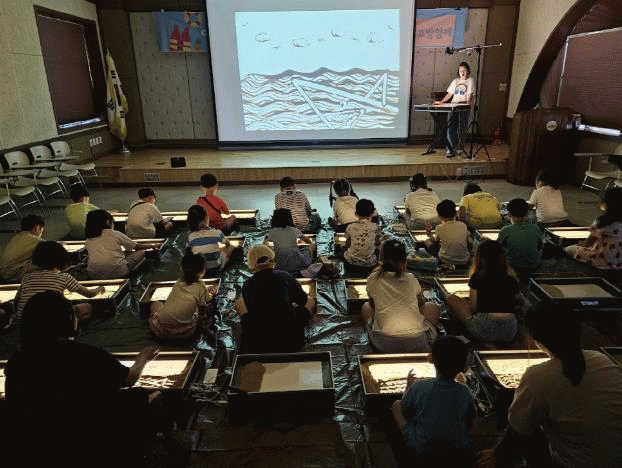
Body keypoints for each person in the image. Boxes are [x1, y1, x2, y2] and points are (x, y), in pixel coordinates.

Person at [4, 291, 159, 468]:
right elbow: (128, 379)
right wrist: (143, 358)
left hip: (35, 447)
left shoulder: (17, 362)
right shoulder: (87, 356)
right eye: (74, 314)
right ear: (68, 320)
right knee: (142, 396)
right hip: (87, 443)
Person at [478, 302, 622, 468]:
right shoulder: (602, 360)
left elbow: (517, 430)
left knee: (525, 419)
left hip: (576, 463)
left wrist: (496, 454)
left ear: (533, 336)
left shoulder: (538, 376)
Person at [392, 336, 476, 465]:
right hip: (457, 450)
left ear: (430, 358)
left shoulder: (420, 386)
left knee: (396, 405)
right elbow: (470, 418)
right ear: (464, 368)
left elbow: (406, 410)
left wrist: (408, 388)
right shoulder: (465, 391)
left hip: (423, 450)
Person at [362, 239, 440, 353]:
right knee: (432, 306)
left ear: (380, 259)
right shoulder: (411, 278)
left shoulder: (373, 279)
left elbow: (372, 303)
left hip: (384, 345)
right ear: (405, 260)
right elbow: (421, 302)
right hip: (418, 343)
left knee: (366, 307)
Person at [235, 244, 315, 354]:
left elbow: (251, 311)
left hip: (259, 342)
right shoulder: (285, 276)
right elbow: (303, 301)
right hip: (291, 339)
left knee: (240, 302)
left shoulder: (247, 284)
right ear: (272, 259)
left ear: (251, 265)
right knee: (310, 301)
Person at [10, 241, 104, 326]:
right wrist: (99, 288)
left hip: (25, 325)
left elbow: (16, 302)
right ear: (62, 258)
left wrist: (17, 315)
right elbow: (89, 294)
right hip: (52, 324)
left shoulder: (27, 277)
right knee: (87, 308)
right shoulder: (64, 277)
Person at [445, 239, 520, 343]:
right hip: (509, 331)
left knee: (450, 298)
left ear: (479, 258)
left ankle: (463, 336)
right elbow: (518, 302)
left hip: (484, 329)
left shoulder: (477, 278)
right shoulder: (511, 279)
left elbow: (473, 309)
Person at [149, 249, 217, 340]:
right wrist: (212, 296)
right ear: (202, 270)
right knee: (197, 310)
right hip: (185, 332)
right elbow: (203, 311)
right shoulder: (201, 286)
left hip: (161, 331)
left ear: (182, 269)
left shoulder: (178, 283)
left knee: (156, 304)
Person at [85, 209, 156, 279]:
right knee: (141, 252)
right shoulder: (115, 234)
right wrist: (153, 245)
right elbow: (136, 247)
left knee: (126, 253)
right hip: (118, 272)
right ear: (108, 222)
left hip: (94, 275)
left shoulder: (88, 239)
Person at [564, 186, 622, 269]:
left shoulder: (602, 221)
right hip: (619, 262)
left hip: (600, 259)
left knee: (569, 249)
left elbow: (588, 242)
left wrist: (582, 245)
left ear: (605, 205)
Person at [434, 61, 474, 157]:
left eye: (464, 71)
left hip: (463, 106)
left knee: (461, 128)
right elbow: (450, 94)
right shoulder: (455, 81)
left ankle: (459, 147)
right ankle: (450, 148)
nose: (462, 73)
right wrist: (442, 102)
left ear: (468, 71)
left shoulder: (470, 80)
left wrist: (468, 103)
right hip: (453, 105)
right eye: (460, 71)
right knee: (451, 127)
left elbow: (470, 94)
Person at [186, 204, 234, 275]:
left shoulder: (190, 237)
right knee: (230, 247)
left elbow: (188, 252)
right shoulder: (216, 233)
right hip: (216, 268)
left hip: (198, 271)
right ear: (206, 218)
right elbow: (227, 243)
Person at [498, 198, 542, 274]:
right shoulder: (536, 229)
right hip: (534, 267)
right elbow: (539, 247)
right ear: (527, 213)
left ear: (509, 214)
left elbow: (497, 249)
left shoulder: (505, 230)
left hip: (513, 267)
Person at [265, 208, 315, 276]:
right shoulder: (294, 230)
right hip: (297, 263)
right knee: (312, 245)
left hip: (280, 265)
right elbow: (308, 241)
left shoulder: (272, 232)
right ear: (290, 219)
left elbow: (265, 246)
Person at [424, 199, 470, 267]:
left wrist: (429, 234)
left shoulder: (440, 227)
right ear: (455, 213)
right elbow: (467, 241)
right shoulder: (463, 225)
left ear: (439, 215)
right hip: (464, 261)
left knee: (427, 242)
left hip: (446, 260)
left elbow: (435, 241)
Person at [0, 214, 44, 283]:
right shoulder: (34, 240)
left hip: (3, 273)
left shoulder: (17, 237)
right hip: (13, 275)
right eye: (41, 230)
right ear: (37, 228)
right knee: (48, 265)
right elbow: (53, 248)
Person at [343, 198, 382, 269]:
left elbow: (347, 244)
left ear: (356, 213)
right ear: (372, 213)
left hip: (350, 262)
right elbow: (378, 245)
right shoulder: (376, 227)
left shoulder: (350, 227)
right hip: (369, 264)